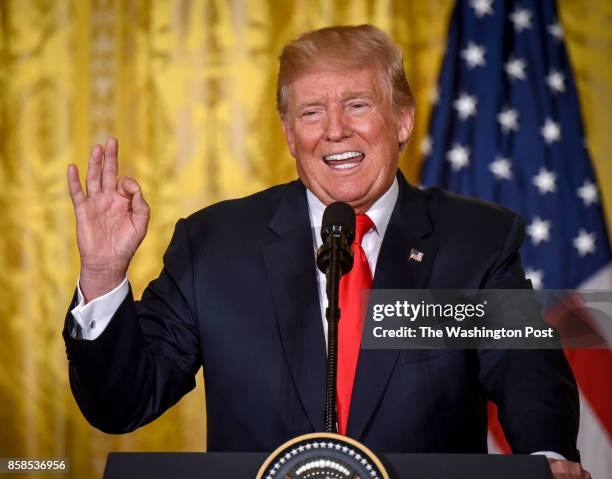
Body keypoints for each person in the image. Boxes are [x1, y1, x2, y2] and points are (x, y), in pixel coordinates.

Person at [64, 25, 590, 478]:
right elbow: (122, 403)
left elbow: (529, 371)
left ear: (402, 120)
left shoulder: (474, 240)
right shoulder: (214, 244)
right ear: (290, 134)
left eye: (357, 105)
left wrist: (546, 461)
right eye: (311, 112)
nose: (335, 129)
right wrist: (104, 274)